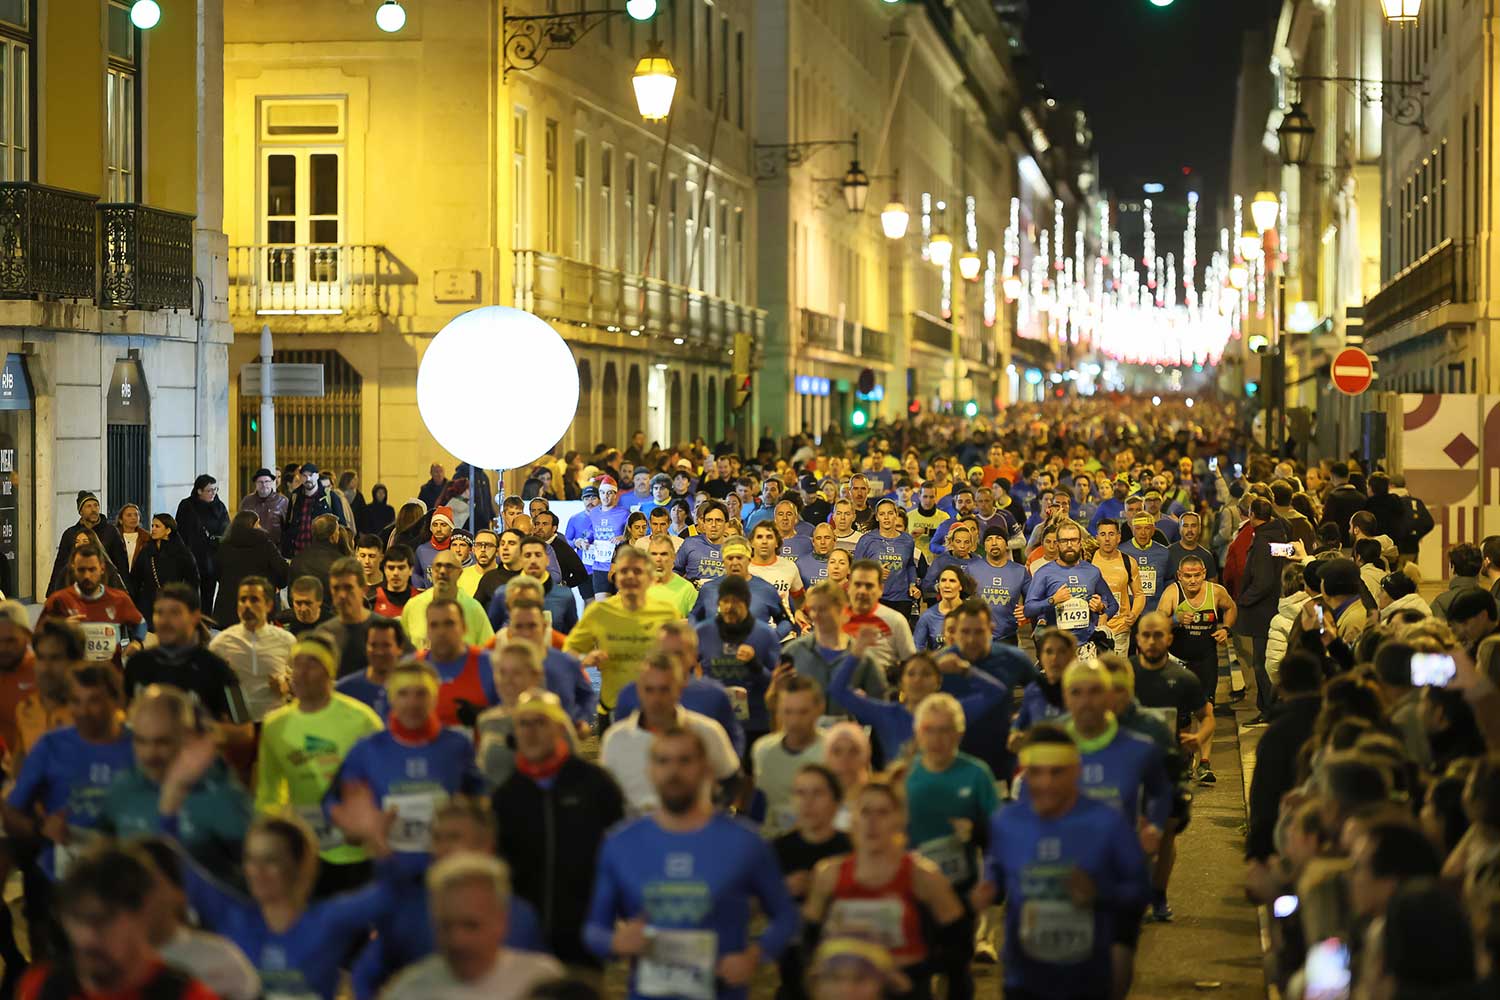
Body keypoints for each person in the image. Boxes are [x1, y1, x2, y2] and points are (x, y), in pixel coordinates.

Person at [584, 726, 801, 1000]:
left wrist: (754, 955)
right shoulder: (619, 844)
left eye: (685, 760)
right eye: (664, 761)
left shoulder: (746, 842)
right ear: (650, 770)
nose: (674, 771)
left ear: (706, 769)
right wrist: (615, 942)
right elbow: (594, 928)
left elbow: (786, 916)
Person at [971, 723, 1150, 1000]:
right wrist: (990, 885)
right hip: (1023, 975)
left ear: (1077, 771)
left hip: (1086, 976)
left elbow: (1138, 889)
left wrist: (1099, 893)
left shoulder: (1106, 822)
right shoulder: (1006, 822)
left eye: (1057, 772)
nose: (1046, 783)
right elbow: (997, 860)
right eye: (1036, 772)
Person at [492, 688, 626, 967]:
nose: (531, 732)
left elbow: (620, 854)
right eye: (524, 724)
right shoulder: (506, 795)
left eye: (540, 722)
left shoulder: (595, 784)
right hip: (524, 937)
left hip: (585, 931)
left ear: (559, 728)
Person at [801, 778, 967, 997]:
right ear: (853, 820)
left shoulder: (922, 875)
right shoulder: (829, 874)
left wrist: (912, 974)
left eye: (883, 813)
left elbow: (960, 945)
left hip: (904, 991)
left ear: (899, 819)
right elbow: (808, 943)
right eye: (865, 812)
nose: (872, 822)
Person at [256, 634, 385, 895]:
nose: (301, 673)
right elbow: (269, 792)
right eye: (296, 664)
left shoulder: (361, 720)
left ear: (329, 670)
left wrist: (371, 826)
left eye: (311, 664)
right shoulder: (275, 726)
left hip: (356, 852)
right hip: (306, 852)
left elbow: (384, 781)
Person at [327, 659, 485, 865]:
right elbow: (332, 802)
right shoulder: (367, 749)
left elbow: (481, 798)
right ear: (392, 698)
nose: (412, 703)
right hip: (390, 872)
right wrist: (360, 826)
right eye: (403, 693)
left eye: (421, 693)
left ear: (435, 697)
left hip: (446, 873)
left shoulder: (457, 745)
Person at [16, 845, 220, 1000]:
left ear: (143, 913)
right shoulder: (41, 986)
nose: (87, 937)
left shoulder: (190, 996)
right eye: (76, 918)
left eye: (102, 920)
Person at [101, 685, 252, 884]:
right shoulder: (123, 788)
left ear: (187, 737)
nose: (149, 754)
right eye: (141, 741)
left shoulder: (224, 797)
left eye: (161, 742)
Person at [378, 853, 562, 1000]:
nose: (457, 940)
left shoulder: (543, 982)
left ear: (502, 921)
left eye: (471, 925)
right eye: (445, 926)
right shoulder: (408, 991)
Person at [600, 651, 741, 815]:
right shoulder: (615, 739)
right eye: (649, 690)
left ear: (680, 689)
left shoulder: (708, 731)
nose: (656, 699)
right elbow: (605, 799)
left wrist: (709, 818)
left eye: (664, 689)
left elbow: (731, 781)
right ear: (639, 690)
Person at [564, 545, 680, 719]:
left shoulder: (667, 612)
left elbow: (682, 657)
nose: (631, 576)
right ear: (616, 577)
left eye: (637, 571)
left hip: (656, 708)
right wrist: (585, 660)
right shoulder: (599, 611)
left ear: (649, 577)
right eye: (624, 571)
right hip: (613, 708)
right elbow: (569, 652)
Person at [124, 584, 247, 728]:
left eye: (174, 613)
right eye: (159, 613)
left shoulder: (219, 669)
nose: (165, 621)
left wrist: (203, 732)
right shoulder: (137, 665)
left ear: (194, 617)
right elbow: (122, 715)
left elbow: (245, 728)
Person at [1131, 611, 1216, 787]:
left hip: (1170, 765)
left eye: (1158, 635)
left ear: (1169, 639)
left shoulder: (1184, 678)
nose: (1152, 641)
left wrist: (1199, 737)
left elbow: (1207, 716)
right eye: (1146, 635)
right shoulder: (1123, 674)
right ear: (1138, 639)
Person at [40, 545, 146, 666]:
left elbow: (140, 623)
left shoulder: (119, 599)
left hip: (109, 677)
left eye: (92, 570)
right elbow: (37, 637)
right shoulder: (59, 600)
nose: (87, 576)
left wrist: (137, 642)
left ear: (102, 568)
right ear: (73, 569)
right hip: (72, 678)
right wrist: (61, 628)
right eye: (81, 570)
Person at [209, 576, 295, 721]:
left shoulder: (287, 641)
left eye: (254, 600)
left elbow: (300, 686)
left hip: (276, 723)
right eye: (243, 600)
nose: (247, 605)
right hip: (238, 727)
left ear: (268, 605)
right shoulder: (221, 643)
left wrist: (286, 687)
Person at [753, 675, 827, 838]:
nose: (794, 721)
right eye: (788, 712)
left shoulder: (832, 751)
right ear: (778, 710)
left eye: (803, 712)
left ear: (819, 708)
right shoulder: (762, 750)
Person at [403, 550, 494, 651]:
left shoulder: (474, 609)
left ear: (460, 573)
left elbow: (490, 651)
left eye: (449, 567)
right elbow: (402, 649)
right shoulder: (414, 605)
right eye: (438, 566)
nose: (442, 571)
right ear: (432, 571)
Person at [212, 511, 289, 629]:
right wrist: (276, 585)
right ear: (252, 526)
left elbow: (216, 573)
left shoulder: (224, 546)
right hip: (258, 603)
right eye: (258, 524)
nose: (260, 527)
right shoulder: (265, 545)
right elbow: (282, 570)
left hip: (228, 607)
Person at [46, 491, 130, 597]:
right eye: (88, 506)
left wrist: (126, 592)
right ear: (81, 511)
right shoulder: (70, 534)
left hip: (105, 589)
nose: (93, 509)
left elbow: (121, 563)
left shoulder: (110, 531)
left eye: (96, 505)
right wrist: (52, 594)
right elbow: (60, 564)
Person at [314, 557, 381, 678]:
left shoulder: (385, 630)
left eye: (348, 588)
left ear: (364, 590)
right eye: (336, 588)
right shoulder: (324, 634)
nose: (342, 595)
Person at [128, 513, 200, 622]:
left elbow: (193, 581)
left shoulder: (181, 553)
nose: (153, 529)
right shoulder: (147, 551)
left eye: (157, 526)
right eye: (152, 526)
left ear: (168, 530)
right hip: (147, 605)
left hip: (173, 604)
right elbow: (136, 578)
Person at [175, 475, 230, 613]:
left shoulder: (219, 506)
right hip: (191, 556)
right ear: (199, 491)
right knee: (190, 591)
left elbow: (226, 529)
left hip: (211, 556)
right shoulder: (186, 506)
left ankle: (206, 619)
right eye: (209, 490)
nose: (213, 493)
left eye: (215, 489)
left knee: (208, 590)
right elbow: (180, 531)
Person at [914, 566, 971, 651]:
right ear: (939, 586)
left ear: (960, 586)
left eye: (952, 581)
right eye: (943, 580)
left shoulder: (972, 613)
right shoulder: (928, 616)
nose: (947, 585)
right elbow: (917, 649)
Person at [241, 468, 291, 552]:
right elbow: (240, 525)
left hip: (275, 550)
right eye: (260, 482)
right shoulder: (247, 501)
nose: (264, 485)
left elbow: (288, 528)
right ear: (256, 484)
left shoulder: (282, 501)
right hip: (251, 550)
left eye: (267, 481)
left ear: (272, 483)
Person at [372, 544, 423, 619]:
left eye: (401, 568)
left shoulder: (421, 600)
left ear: (411, 570)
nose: (395, 573)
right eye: (391, 568)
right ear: (385, 569)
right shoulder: (372, 600)